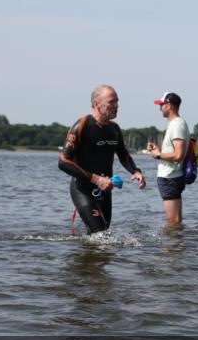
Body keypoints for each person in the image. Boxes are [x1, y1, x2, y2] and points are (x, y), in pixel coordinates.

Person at [58, 85, 146, 234]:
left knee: (101, 233)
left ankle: (86, 255)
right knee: (100, 234)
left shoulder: (114, 129)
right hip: (83, 189)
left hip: (105, 189)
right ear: (96, 103)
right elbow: (63, 162)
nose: (116, 106)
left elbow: (124, 155)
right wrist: (97, 179)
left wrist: (136, 171)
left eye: (117, 102)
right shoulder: (83, 125)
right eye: (112, 102)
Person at [147, 92, 189, 227]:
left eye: (161, 105)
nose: (160, 108)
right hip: (170, 177)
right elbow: (174, 153)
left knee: (173, 222)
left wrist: (158, 155)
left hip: (170, 177)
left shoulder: (177, 125)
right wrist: (158, 150)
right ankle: (175, 246)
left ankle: (172, 248)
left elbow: (178, 155)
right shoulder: (176, 124)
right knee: (175, 221)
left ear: (169, 105)